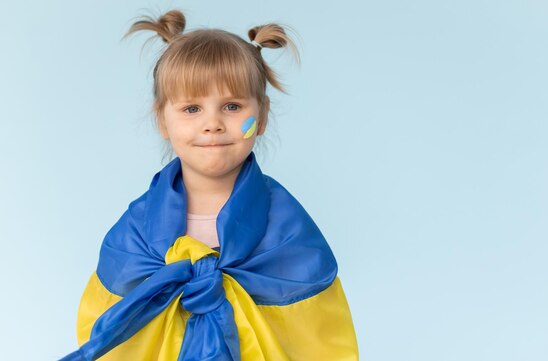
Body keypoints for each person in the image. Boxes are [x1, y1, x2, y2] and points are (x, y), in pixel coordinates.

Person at [59, 8, 359, 361]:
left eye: (232, 106)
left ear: (260, 117)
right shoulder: (138, 226)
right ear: (163, 121)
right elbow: (109, 317)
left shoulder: (287, 225)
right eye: (191, 109)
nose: (212, 123)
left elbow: (317, 333)